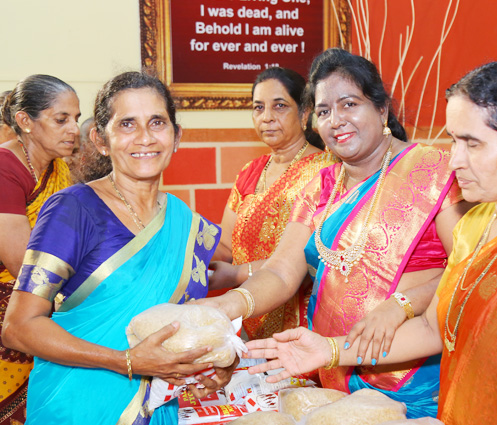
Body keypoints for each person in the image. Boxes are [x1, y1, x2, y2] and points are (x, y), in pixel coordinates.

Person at [244, 60, 497, 425]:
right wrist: (329, 350)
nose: (452, 160)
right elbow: (435, 329)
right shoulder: (481, 222)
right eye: (453, 141)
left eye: (472, 144)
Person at [199, 48, 468, 418]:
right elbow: (280, 272)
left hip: (412, 382)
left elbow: (470, 275)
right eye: (324, 111)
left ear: (382, 109)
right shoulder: (320, 186)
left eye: (349, 104)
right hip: (333, 375)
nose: (336, 120)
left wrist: (404, 303)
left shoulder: (435, 174)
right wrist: (223, 306)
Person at [2, 72, 235, 425]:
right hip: (75, 407)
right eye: (127, 124)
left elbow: (175, 324)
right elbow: (19, 327)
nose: (145, 137)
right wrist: (125, 360)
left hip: (155, 409)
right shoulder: (74, 209)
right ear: (101, 140)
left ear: (176, 136)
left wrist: (200, 368)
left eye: (157, 122)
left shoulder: (183, 221)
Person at [209, 67, 336, 341]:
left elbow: (316, 256)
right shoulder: (249, 172)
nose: (267, 117)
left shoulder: (328, 170)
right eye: (258, 108)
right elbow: (226, 247)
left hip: (303, 318)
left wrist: (238, 274)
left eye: (279, 106)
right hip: (248, 314)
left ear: (304, 113)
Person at [0, 75, 78, 423]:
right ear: (25, 121)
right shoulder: (5, 168)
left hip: (43, 302)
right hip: (14, 306)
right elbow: (22, 264)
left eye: (76, 118)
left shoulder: (58, 168)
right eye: (61, 119)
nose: (73, 129)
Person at [67, 116, 113, 183]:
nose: (101, 144)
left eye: (104, 138)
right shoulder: (68, 172)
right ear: (83, 145)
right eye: (94, 140)